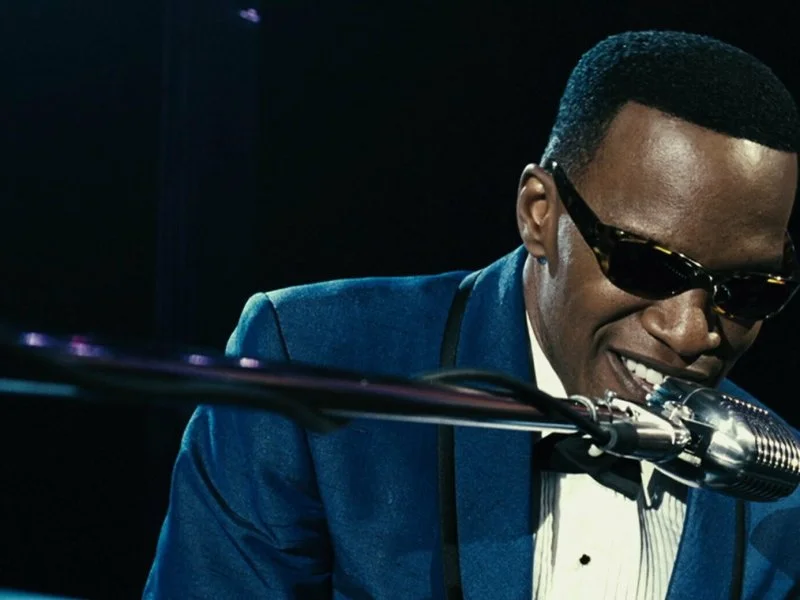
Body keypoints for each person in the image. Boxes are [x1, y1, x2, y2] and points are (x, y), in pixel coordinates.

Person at [144, 30, 800, 599]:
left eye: (748, 290)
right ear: (540, 214)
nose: (690, 332)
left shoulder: (784, 490)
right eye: (648, 265)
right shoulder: (307, 356)